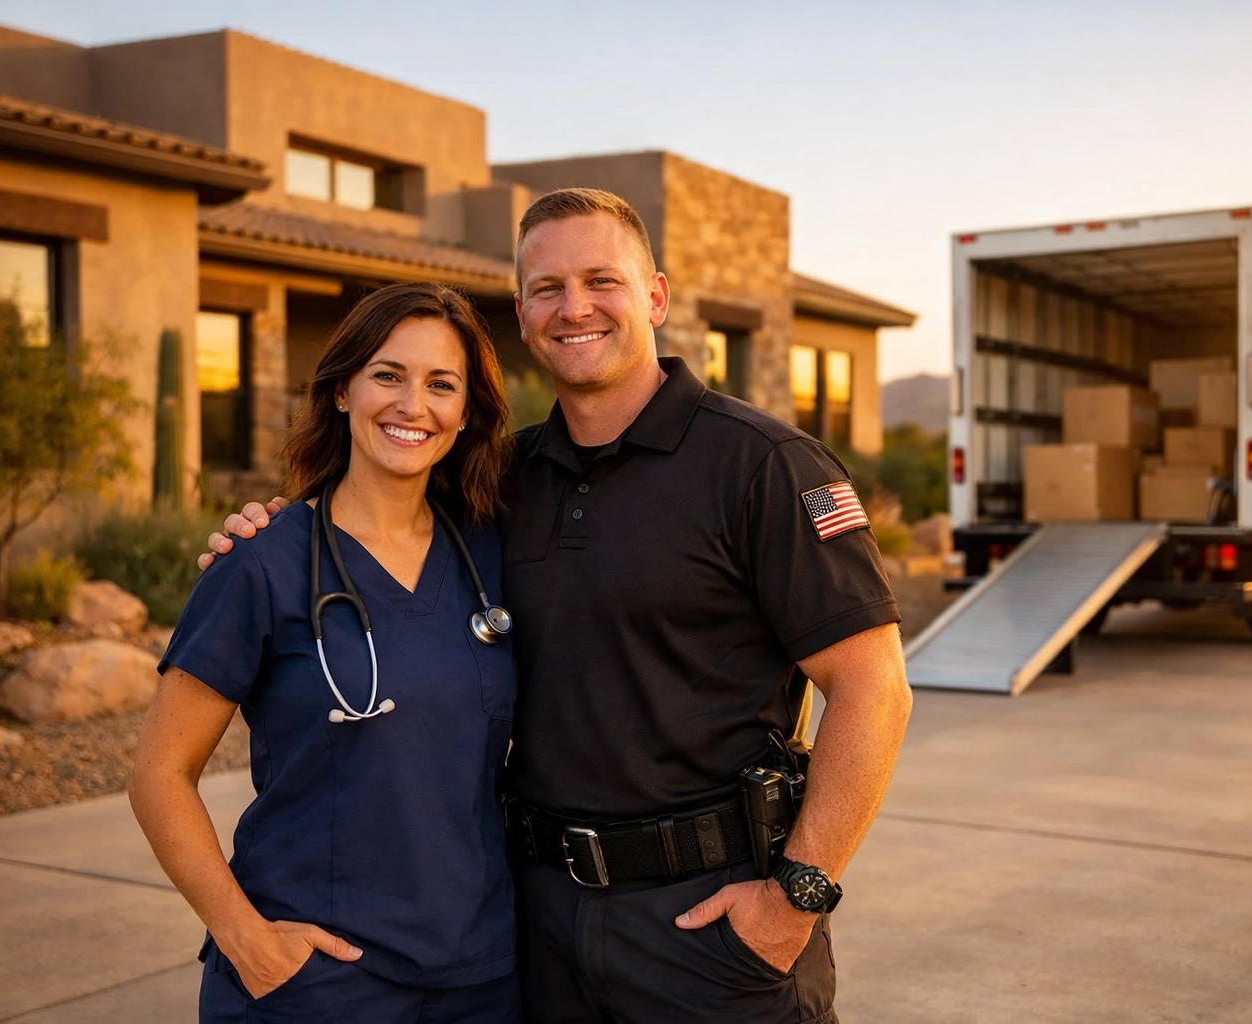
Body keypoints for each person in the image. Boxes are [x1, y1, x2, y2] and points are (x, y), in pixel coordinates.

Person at [205, 188, 914, 1024]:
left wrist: (798, 894)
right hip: (534, 926)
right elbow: (376, 513)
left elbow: (874, 688)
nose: (574, 307)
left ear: (654, 295)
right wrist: (272, 532)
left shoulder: (762, 465)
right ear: (524, 310)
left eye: (600, 281)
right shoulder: (498, 481)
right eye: (547, 288)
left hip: (707, 923)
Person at [133, 282, 521, 1024]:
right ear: (342, 390)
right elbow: (159, 773)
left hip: (480, 977)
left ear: (466, 412)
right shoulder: (264, 565)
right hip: (315, 983)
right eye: (388, 375)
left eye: (442, 384)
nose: (414, 405)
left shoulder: (491, 556)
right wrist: (244, 936)